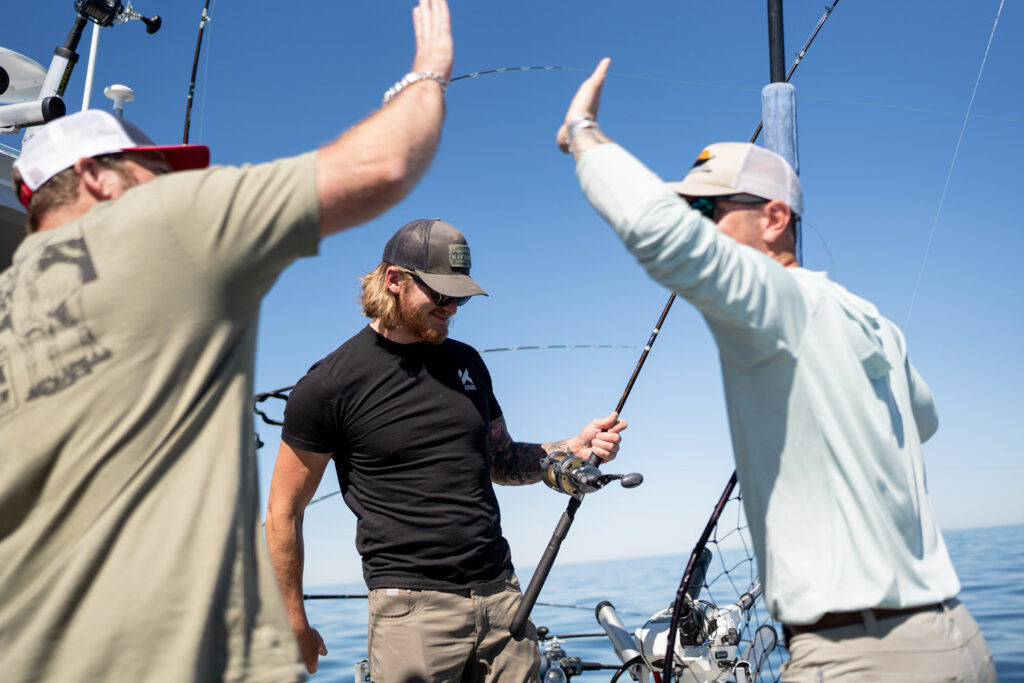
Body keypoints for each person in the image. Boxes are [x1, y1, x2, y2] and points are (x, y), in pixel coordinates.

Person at [0, 1, 454, 680]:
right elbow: (384, 165)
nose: (173, 182)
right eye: (153, 167)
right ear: (97, 177)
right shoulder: (154, 222)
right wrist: (428, 73)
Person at [555, 59, 996, 682]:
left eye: (708, 212)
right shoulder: (868, 319)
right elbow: (923, 419)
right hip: (956, 641)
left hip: (857, 658)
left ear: (774, 219)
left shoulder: (778, 303)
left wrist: (582, 133)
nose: (696, 228)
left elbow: (657, 232)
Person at [265, 217, 627, 681]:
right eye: (439, 294)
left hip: (503, 598)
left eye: (459, 297)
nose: (451, 307)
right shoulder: (328, 386)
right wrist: (294, 620)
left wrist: (569, 447)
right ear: (394, 280)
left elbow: (503, 460)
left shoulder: (467, 362)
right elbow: (282, 512)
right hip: (412, 613)